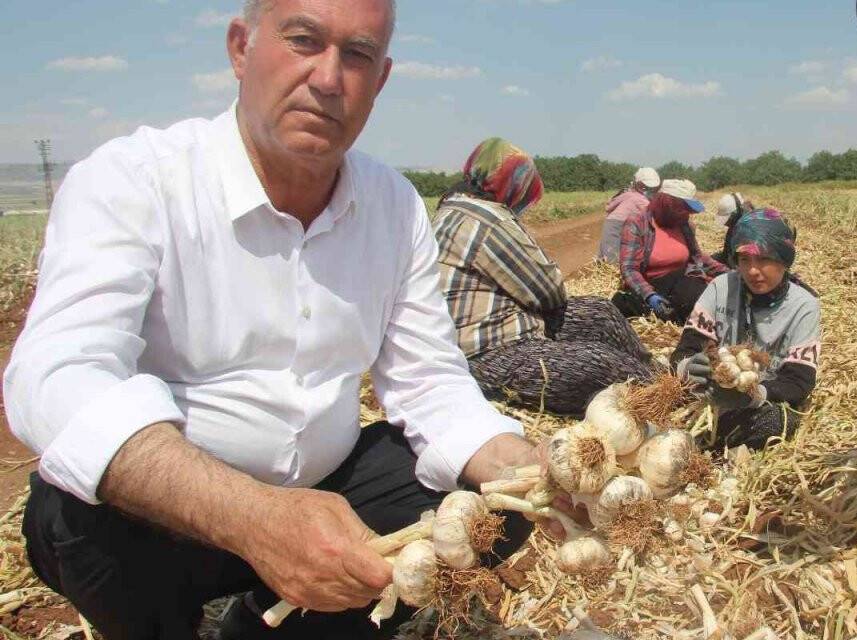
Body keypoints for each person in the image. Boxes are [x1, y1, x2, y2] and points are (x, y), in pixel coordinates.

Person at [2, 2, 549, 638]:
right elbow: (57, 377)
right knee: (82, 506)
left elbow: (430, 383)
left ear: (381, 79)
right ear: (240, 48)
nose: (327, 78)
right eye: (303, 41)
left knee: (496, 507)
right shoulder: (135, 180)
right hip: (169, 514)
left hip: (324, 490)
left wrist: (532, 467)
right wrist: (257, 519)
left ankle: (268, 624)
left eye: (357, 55)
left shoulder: (393, 206)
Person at [433, 138, 654, 416]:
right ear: (513, 186)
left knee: (600, 312)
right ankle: (658, 391)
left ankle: (657, 374)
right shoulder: (488, 219)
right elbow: (550, 292)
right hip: (486, 355)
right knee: (599, 364)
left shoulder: (453, 207)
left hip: (490, 332)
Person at [672, 209, 821, 450]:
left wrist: (753, 396)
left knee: (782, 421)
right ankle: (699, 438)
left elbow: (799, 381)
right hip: (707, 395)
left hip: (757, 404)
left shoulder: (804, 306)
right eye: (744, 260)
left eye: (763, 259)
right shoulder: (720, 287)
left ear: (784, 259)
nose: (752, 270)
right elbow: (684, 350)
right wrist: (688, 366)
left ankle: (698, 441)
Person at [613, 179, 729, 324]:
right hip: (652, 284)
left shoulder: (683, 225)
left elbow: (698, 257)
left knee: (701, 297)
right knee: (624, 306)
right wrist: (649, 295)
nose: (686, 214)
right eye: (682, 208)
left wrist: (727, 272)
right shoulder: (637, 223)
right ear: (666, 204)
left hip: (682, 281)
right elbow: (629, 268)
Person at [598, 167, 660, 264]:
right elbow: (653, 215)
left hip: (612, 223)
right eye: (644, 186)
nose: (647, 190)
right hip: (616, 225)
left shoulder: (627, 194)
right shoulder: (642, 200)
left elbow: (608, 207)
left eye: (650, 188)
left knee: (607, 250)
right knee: (612, 258)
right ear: (637, 184)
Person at [711, 192, 755, 264]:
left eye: (728, 219)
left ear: (736, 213)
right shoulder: (734, 224)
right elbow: (725, 254)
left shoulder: (751, 230)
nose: (726, 223)